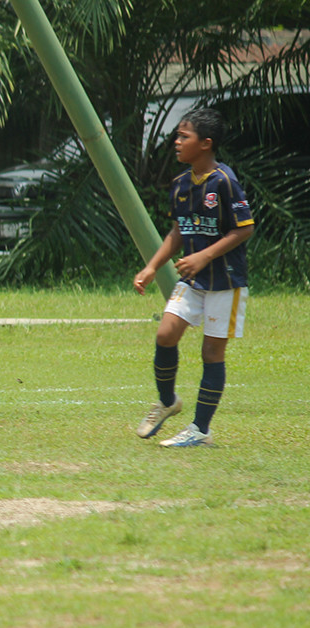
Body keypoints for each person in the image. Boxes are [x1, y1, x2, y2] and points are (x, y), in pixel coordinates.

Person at [132, 107, 254, 447]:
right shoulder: (181, 185)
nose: (177, 141)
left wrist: (203, 255)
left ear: (206, 144)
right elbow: (177, 232)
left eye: (184, 136)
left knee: (211, 354)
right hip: (193, 281)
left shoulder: (224, 182)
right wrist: (152, 266)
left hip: (225, 282)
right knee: (165, 333)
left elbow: (244, 229)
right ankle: (168, 401)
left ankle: (200, 430)